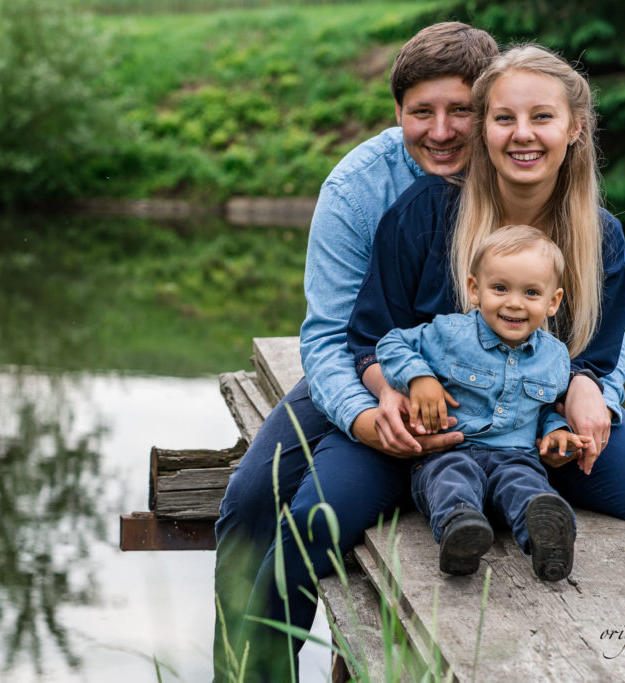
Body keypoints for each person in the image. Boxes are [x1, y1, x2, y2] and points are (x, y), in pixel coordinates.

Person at [346, 45, 625, 601]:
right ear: (483, 130)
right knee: (315, 516)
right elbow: (371, 335)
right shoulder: (426, 212)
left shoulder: (601, 235)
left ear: (575, 129)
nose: (523, 134)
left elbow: (598, 352)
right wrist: (389, 392)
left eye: (542, 117)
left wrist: (588, 387)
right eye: (504, 118)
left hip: (540, 431)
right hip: (430, 436)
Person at [212, 22, 500, 682]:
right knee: (250, 500)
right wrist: (368, 417)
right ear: (397, 112)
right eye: (421, 111)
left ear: (485, 109)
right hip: (360, 368)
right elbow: (327, 335)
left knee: (316, 512)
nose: (442, 130)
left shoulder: (516, 170)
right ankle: (246, 674)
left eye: (461, 109)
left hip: (476, 389)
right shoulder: (358, 187)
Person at [375, 225, 586, 580]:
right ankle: (461, 531)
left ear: (553, 302)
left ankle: (546, 537)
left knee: (526, 485)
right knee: (451, 479)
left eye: (531, 292)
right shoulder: (451, 333)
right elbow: (390, 344)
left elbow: (548, 406)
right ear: (475, 290)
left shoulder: (555, 357)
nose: (515, 303)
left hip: (515, 457)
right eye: (500, 288)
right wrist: (418, 378)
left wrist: (558, 431)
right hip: (451, 451)